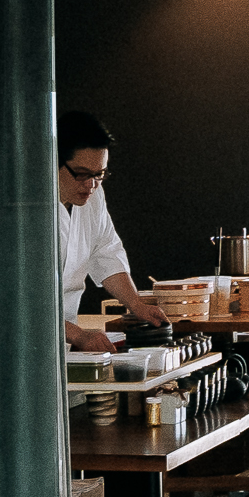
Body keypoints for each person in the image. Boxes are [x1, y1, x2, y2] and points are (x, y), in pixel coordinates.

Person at [56, 113, 168, 349]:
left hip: (62, 338)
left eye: (99, 174)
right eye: (82, 174)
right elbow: (21, 303)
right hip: (21, 343)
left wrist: (136, 304)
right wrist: (79, 336)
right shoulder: (24, 211)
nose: (91, 185)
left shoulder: (93, 196)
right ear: (52, 162)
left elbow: (106, 252)